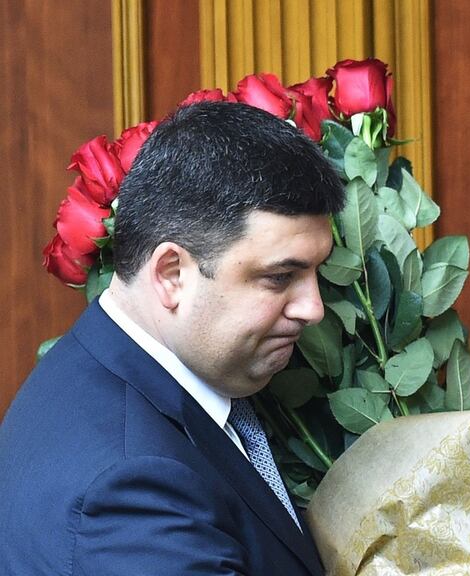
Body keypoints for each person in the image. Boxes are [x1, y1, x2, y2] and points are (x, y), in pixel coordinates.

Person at [0, 102, 345, 574]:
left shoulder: (98, 365)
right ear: (171, 273)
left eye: (316, 271)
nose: (314, 308)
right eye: (280, 276)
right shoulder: (129, 492)